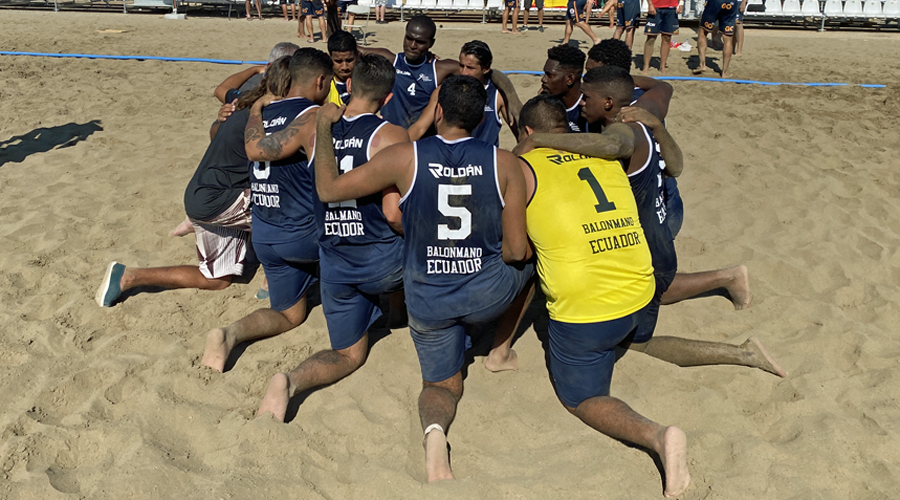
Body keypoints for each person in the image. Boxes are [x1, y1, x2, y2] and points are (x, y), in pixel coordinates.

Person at [313, 75, 533, 481]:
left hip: (428, 297)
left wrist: (325, 127)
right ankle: (499, 352)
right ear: (481, 116)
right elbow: (516, 251)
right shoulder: (504, 163)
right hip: (485, 291)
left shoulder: (404, 157)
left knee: (442, 385)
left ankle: (435, 435)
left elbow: (328, 190)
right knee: (532, 265)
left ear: (439, 112)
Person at [517, 66, 783, 376]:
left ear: (606, 102)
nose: (581, 103)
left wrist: (540, 141)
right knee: (658, 290)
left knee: (636, 340)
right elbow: (677, 166)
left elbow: (613, 146)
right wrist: (659, 127)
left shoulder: (622, 130)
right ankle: (729, 280)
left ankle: (744, 352)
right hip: (659, 236)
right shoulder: (643, 121)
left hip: (650, 250)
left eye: (586, 97)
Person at [516, 94, 691, 498]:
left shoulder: (523, 163)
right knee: (629, 337)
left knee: (583, 398)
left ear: (528, 133)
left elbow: (516, 248)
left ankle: (657, 436)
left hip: (588, 313)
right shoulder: (605, 152)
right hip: (642, 290)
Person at [256, 54, 410, 420]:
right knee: (417, 241)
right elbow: (393, 214)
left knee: (347, 353)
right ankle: (399, 314)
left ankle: (291, 380)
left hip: (335, 263)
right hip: (380, 262)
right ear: (388, 99)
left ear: (349, 86)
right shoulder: (390, 135)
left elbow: (259, 150)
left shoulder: (312, 126)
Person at [94, 60, 296, 309]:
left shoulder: (244, 99)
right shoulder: (271, 115)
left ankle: (129, 276)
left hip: (202, 195)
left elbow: (220, 94)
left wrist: (253, 70)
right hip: (220, 199)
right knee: (287, 208)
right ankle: (272, 280)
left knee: (218, 281)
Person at [200, 48, 333, 372]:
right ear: (319, 81)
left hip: (264, 234)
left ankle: (230, 333)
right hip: (303, 235)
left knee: (291, 314)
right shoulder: (315, 116)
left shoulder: (257, 115)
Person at [360, 15, 523, 129]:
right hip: (391, 134)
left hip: (423, 139)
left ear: (431, 43)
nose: (412, 45)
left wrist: (512, 99)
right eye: (409, 38)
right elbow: (347, 50)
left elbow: (485, 72)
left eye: (420, 42)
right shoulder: (391, 60)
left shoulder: (440, 68)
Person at [407, 41, 516, 146]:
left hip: (482, 161)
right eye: (461, 65)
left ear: (486, 69)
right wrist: (397, 148)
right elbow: (420, 127)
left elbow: (520, 132)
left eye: (470, 68)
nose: (464, 73)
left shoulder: (497, 96)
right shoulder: (444, 90)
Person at [540, 44, 586, 133]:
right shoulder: (546, 103)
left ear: (570, 79)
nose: (543, 79)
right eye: (544, 74)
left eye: (549, 75)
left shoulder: (587, 111)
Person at [694, 0, 740, 77]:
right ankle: (725, 72)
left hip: (715, 2)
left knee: (703, 32)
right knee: (728, 38)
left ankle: (702, 65)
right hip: (731, 3)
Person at [641, 0, 683, 74]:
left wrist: (681, 3)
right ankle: (646, 66)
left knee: (667, 37)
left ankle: (662, 66)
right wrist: (650, 4)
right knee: (651, 38)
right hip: (655, 6)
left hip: (671, 7)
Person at [327, 31, 357, 105]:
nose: (344, 67)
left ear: (357, 55)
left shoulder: (364, 81)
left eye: (349, 60)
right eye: (339, 61)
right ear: (330, 58)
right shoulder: (325, 85)